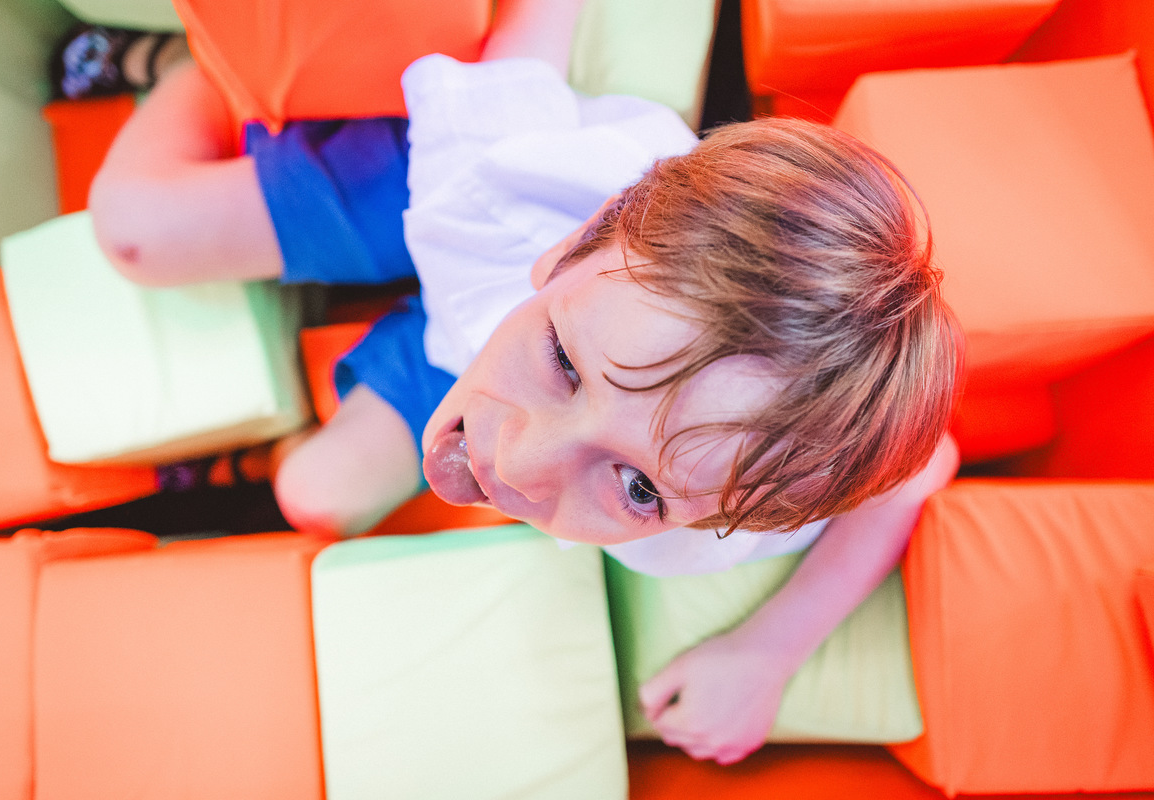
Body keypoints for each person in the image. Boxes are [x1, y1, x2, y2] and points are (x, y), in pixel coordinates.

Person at [87, 0, 962, 765]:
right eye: (565, 365)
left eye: (640, 488)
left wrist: (766, 654)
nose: (518, 465)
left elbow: (923, 465)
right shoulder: (497, 174)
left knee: (314, 494)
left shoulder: (741, 492)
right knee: (135, 228)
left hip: (478, 342)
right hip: (480, 250)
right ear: (573, 248)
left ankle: (425, 385)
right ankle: (181, 64)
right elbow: (529, 43)